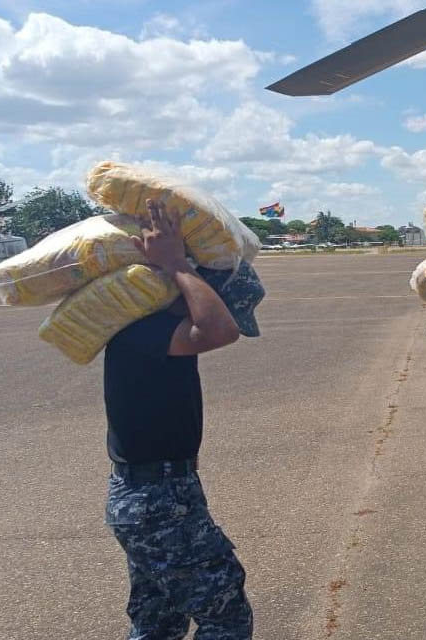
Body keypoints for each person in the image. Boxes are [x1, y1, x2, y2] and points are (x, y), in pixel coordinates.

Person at [104, 199, 264, 639]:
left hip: (154, 494)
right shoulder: (142, 331)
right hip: (156, 500)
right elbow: (220, 331)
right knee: (225, 614)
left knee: (158, 621)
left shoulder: (154, 329)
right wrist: (177, 263)